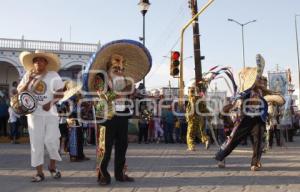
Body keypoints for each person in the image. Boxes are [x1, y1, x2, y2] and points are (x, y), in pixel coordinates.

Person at [84, 40, 152, 185]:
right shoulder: (100, 78)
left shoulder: (124, 79)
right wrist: (122, 92)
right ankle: (102, 175)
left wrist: (132, 93)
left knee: (122, 146)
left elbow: (127, 96)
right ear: (108, 64)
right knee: (104, 147)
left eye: (122, 66)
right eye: (116, 65)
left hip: (122, 116)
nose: (120, 68)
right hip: (105, 117)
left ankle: (120, 174)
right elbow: (103, 96)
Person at [215, 54, 283, 171]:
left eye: (261, 79)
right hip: (245, 119)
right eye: (258, 79)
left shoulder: (263, 92)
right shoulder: (247, 91)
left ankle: (255, 163)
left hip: (259, 119)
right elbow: (238, 98)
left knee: (258, 141)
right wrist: (239, 101)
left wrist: (274, 97)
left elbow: (280, 100)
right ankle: (221, 157)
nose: (260, 80)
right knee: (233, 140)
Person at [17, 50, 64, 182]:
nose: (38, 62)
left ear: (46, 63)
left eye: (41, 60)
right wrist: (29, 81)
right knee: (36, 143)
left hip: (51, 113)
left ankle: (52, 167)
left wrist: (51, 102)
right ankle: (39, 173)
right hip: (33, 114)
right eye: (36, 60)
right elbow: (20, 92)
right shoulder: (28, 75)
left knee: (52, 140)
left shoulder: (53, 75)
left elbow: (60, 93)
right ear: (33, 63)